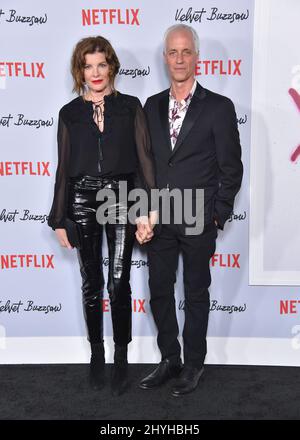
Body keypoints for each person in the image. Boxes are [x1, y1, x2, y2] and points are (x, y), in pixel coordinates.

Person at [137, 24, 243, 396]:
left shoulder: (218, 107)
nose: (179, 59)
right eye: (172, 52)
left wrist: (218, 213)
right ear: (165, 57)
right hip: (160, 218)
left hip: (199, 217)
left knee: (196, 292)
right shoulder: (150, 106)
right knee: (160, 291)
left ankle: (194, 364)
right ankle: (170, 358)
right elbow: (145, 164)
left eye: (186, 52)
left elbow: (232, 168)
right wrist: (143, 212)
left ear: (197, 57)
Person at [47, 36, 156, 396]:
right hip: (80, 198)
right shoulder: (69, 113)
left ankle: (121, 356)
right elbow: (63, 167)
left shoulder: (130, 106)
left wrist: (146, 210)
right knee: (91, 282)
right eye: (87, 66)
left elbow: (144, 163)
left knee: (118, 281)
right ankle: (97, 355)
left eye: (101, 64)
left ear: (111, 67)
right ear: (80, 71)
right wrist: (59, 218)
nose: (95, 72)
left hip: (123, 195)